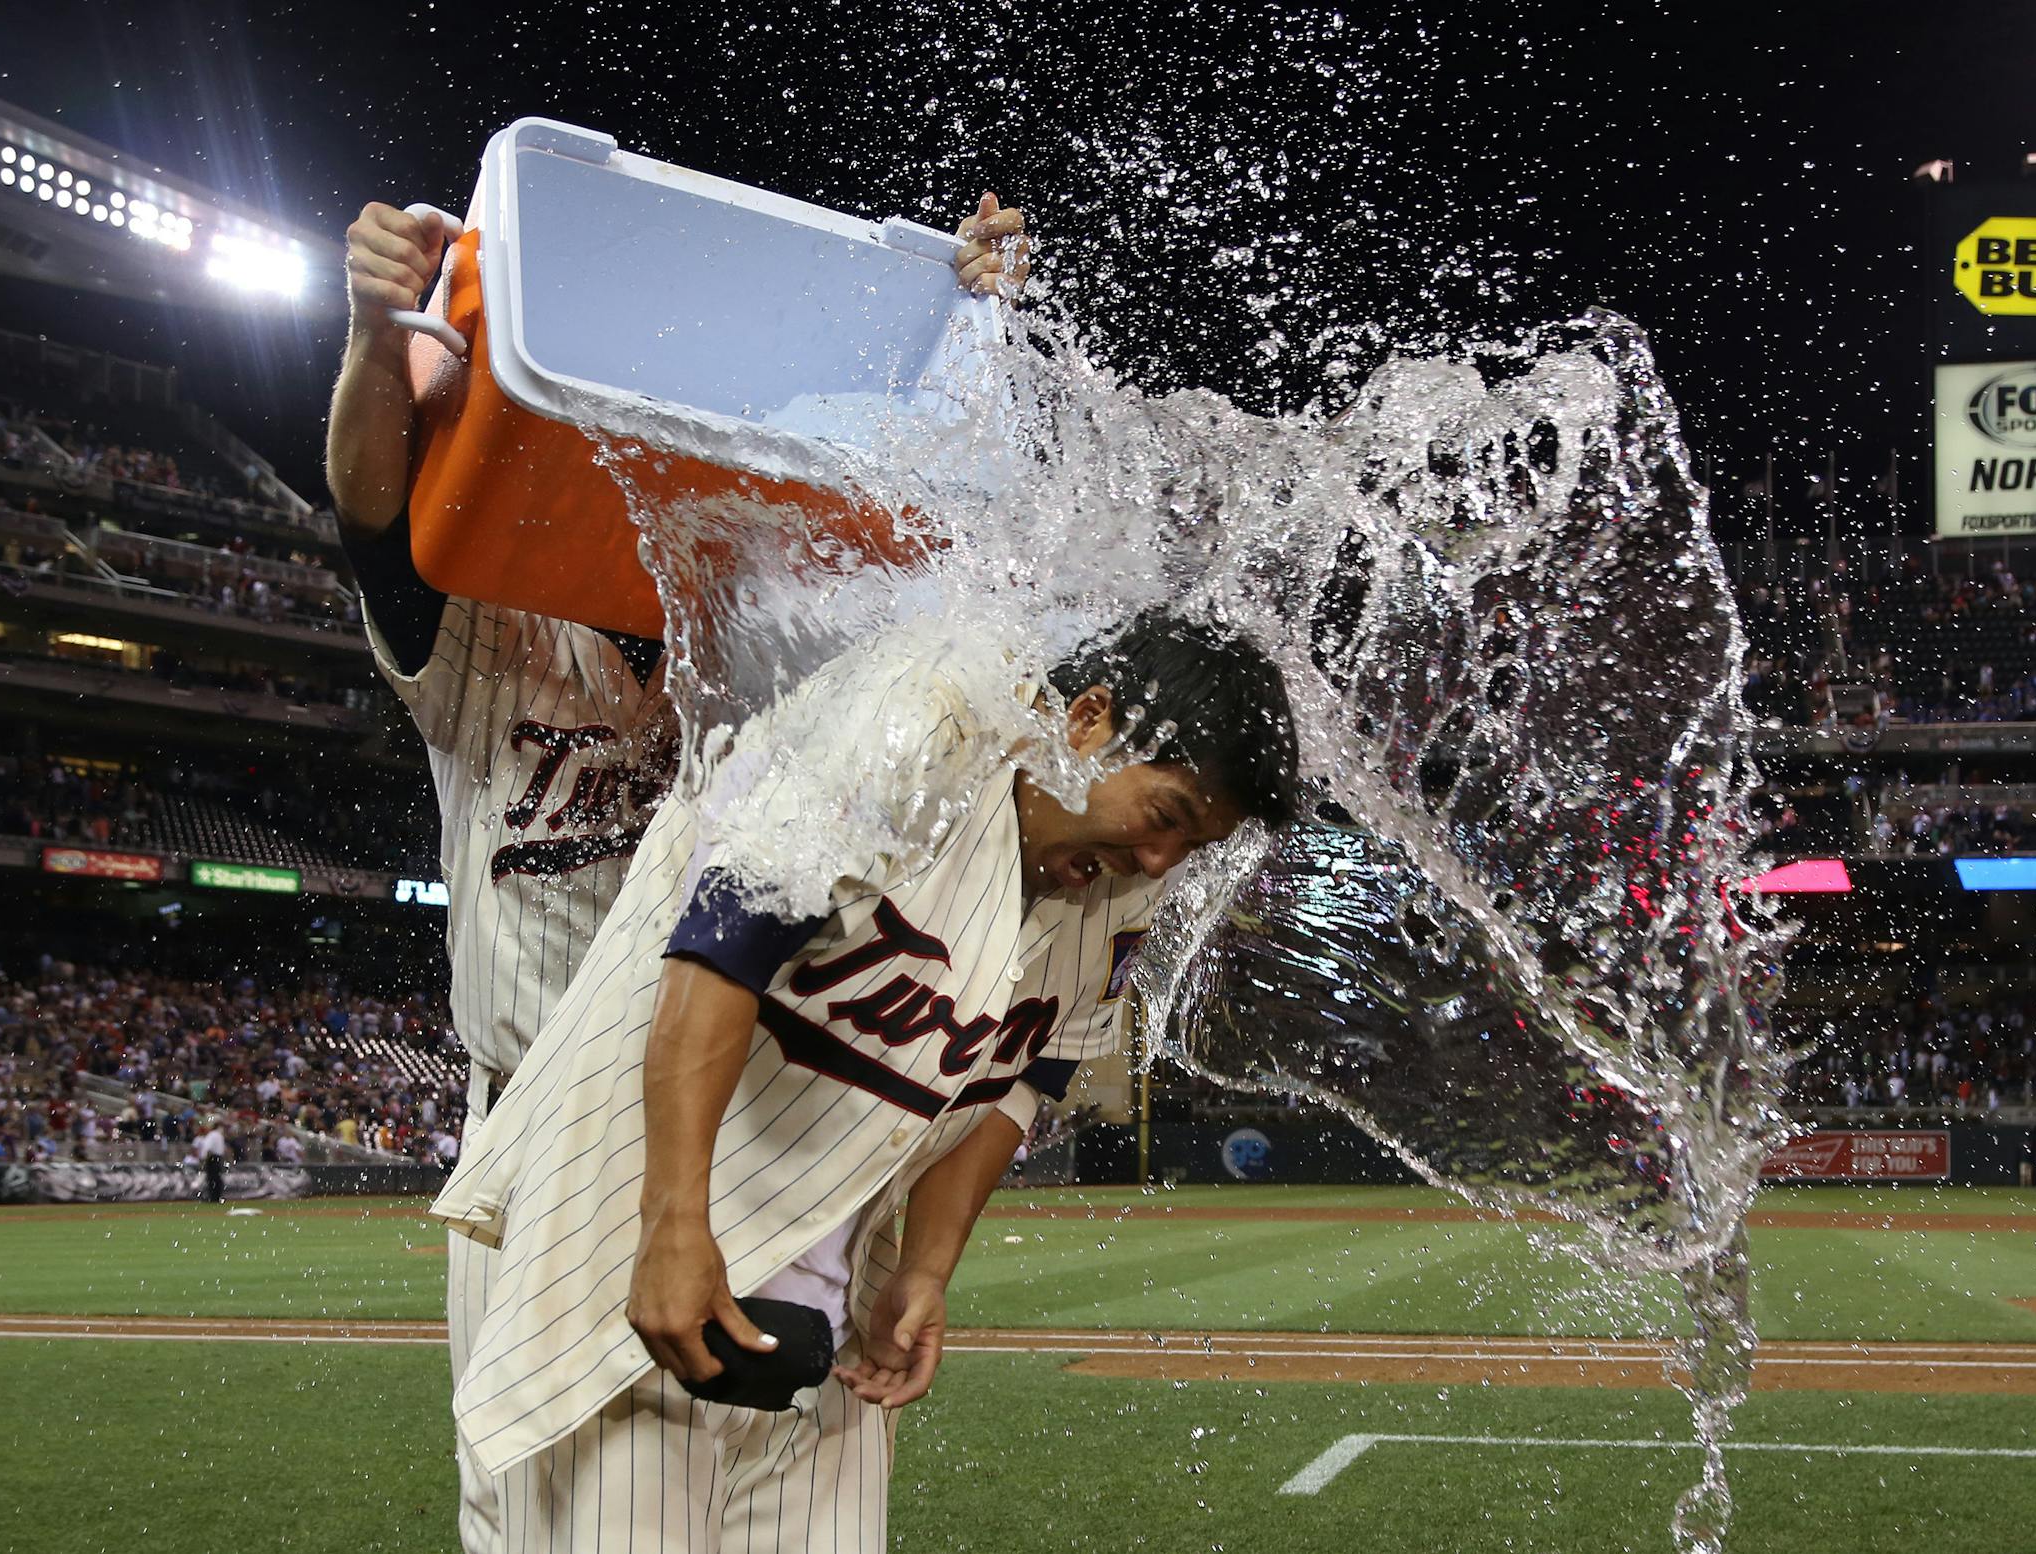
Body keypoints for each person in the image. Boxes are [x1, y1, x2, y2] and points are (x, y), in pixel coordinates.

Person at [327, 189, 1030, 1554]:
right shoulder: (483, 627)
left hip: (783, 1143)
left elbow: (950, 536)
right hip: (549, 1138)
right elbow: (369, 512)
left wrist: (971, 328)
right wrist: (374, 330)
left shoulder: (784, 635)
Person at [432, 611, 1297, 1552]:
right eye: (1165, 818)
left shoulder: (1119, 873)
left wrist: (927, 1267)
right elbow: (715, 956)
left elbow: (1025, 1074)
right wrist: (672, 1225)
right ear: (1086, 721)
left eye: (1192, 845)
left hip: (830, 1321)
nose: (1163, 860)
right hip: (629, 1247)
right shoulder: (914, 719)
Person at [195, 1114, 228, 1203]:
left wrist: (204, 1159)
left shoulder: (212, 1135)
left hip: (212, 1158)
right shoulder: (219, 1135)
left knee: (212, 1178)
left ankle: (213, 1197)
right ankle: (217, 1196)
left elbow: (208, 1149)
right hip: (218, 1158)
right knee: (217, 1178)